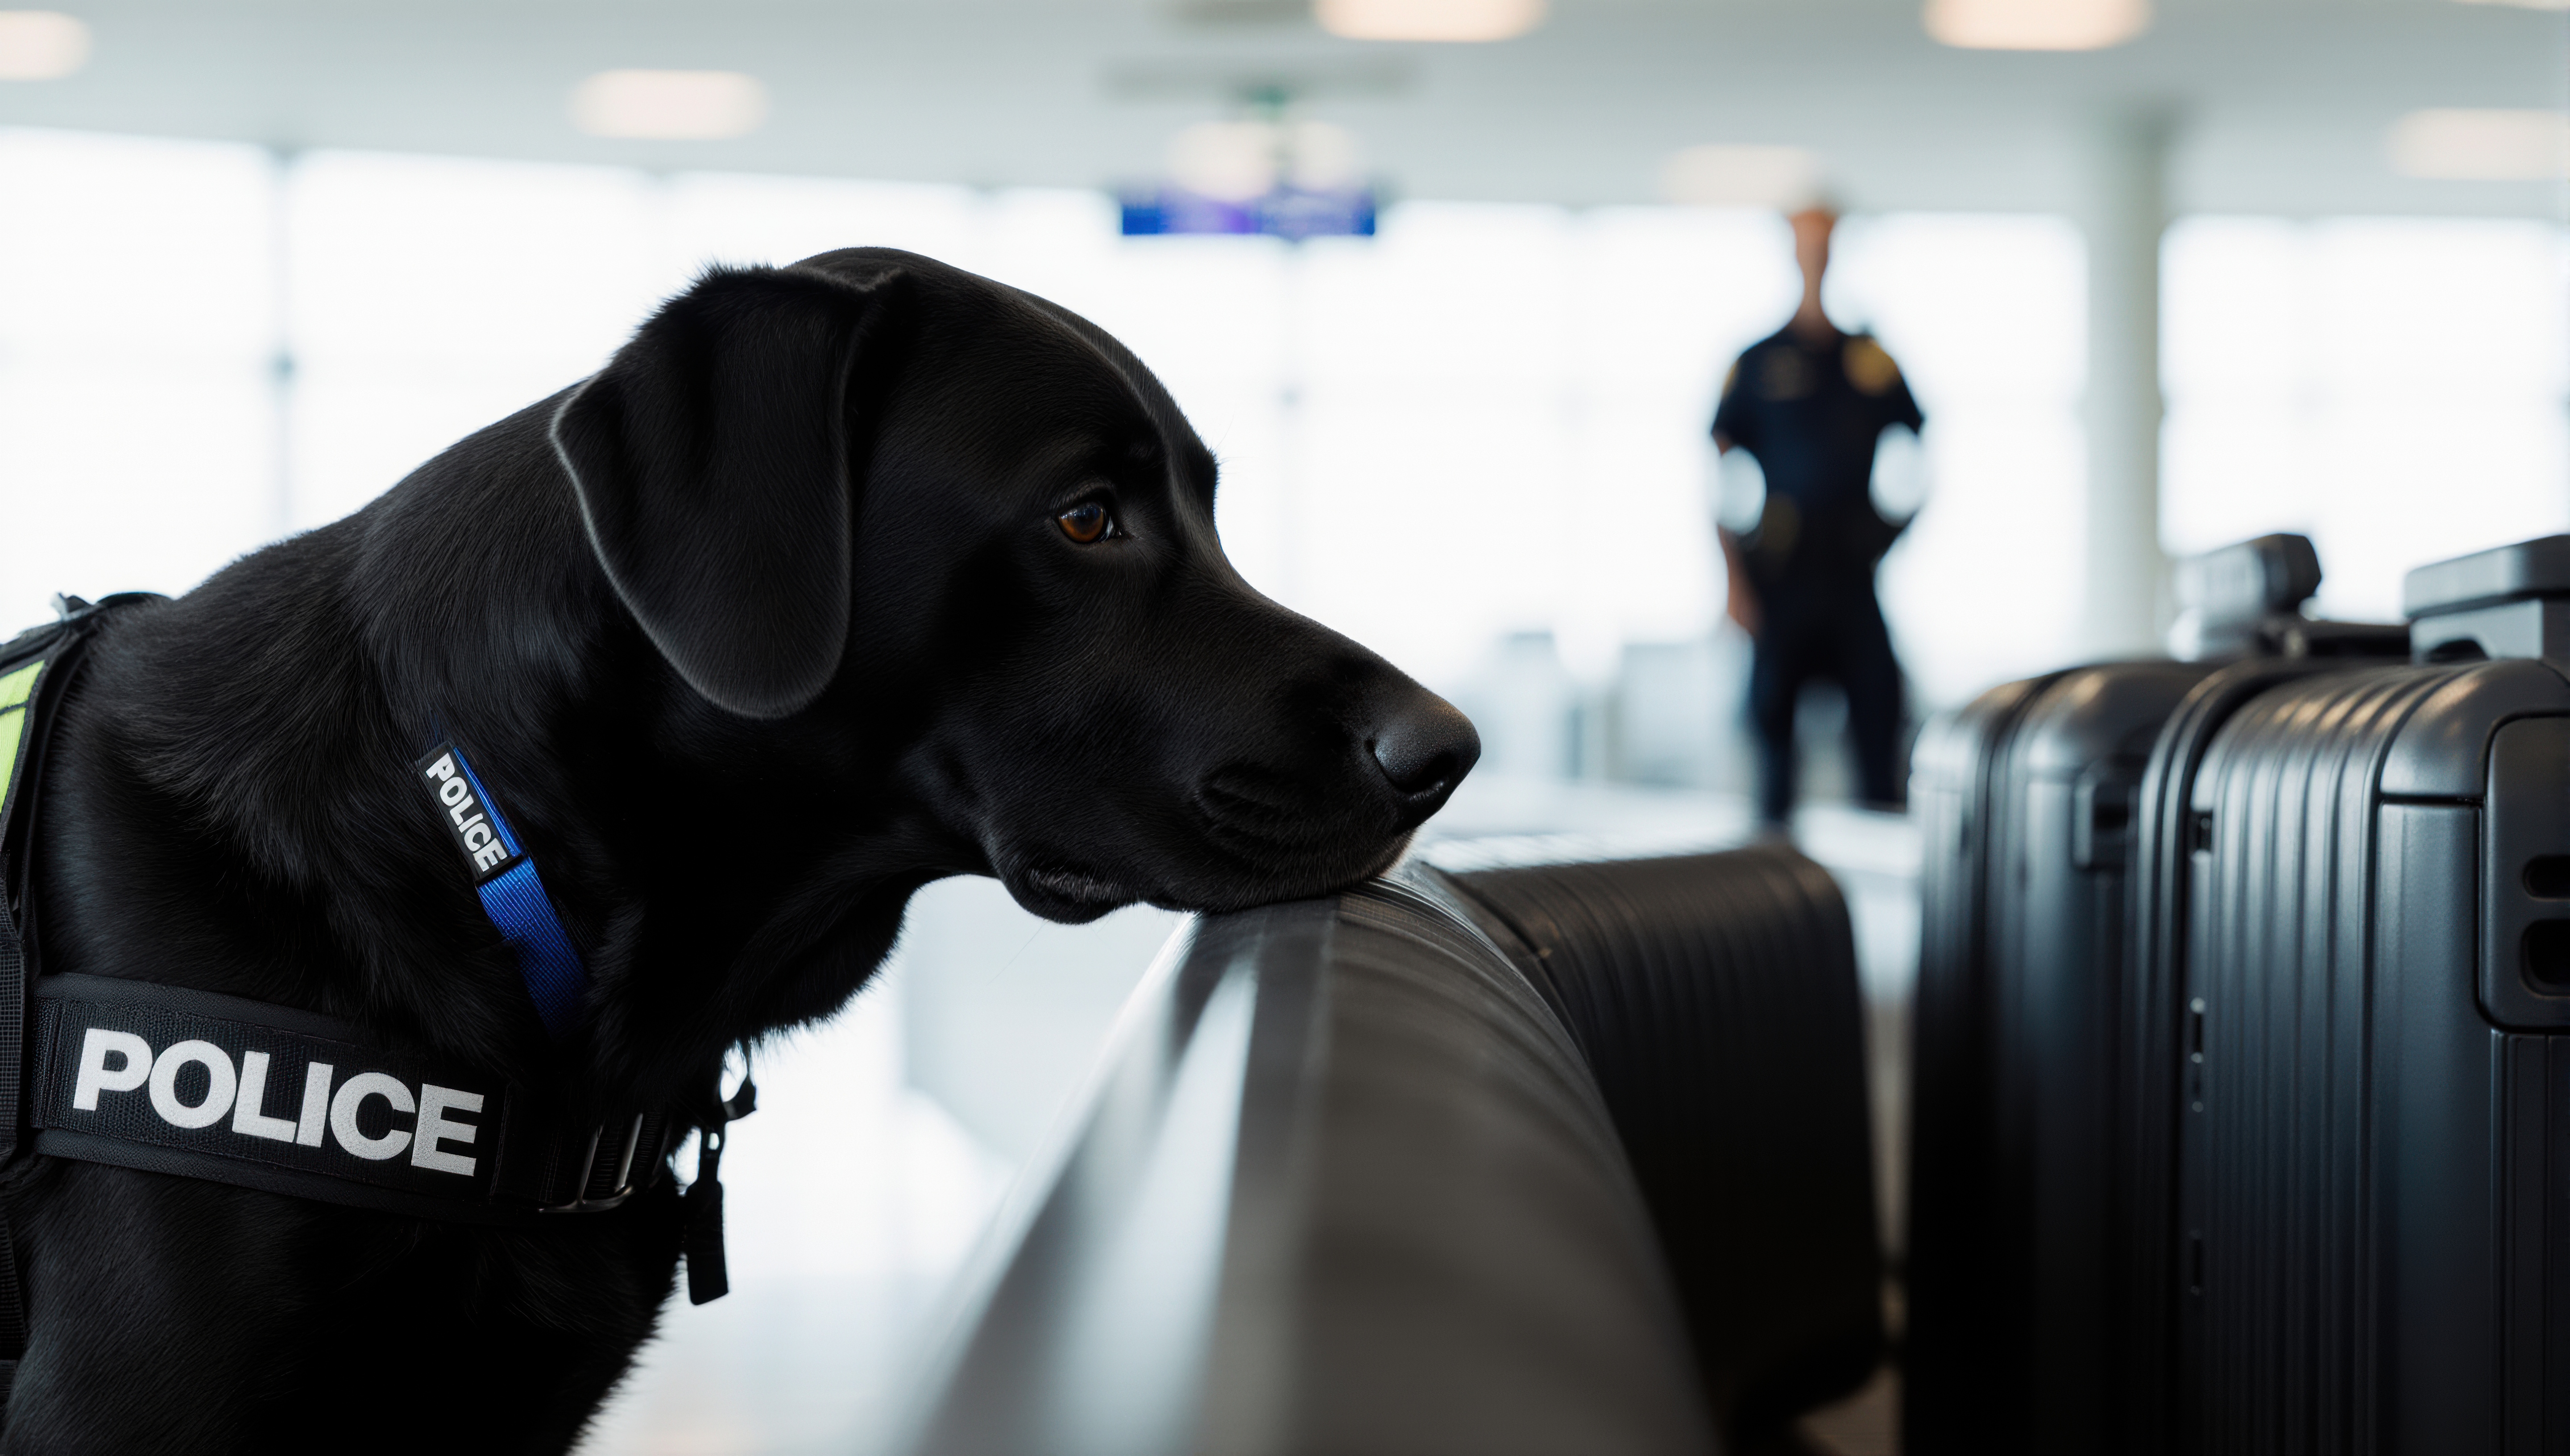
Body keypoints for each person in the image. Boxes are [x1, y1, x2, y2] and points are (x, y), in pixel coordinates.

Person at [1712, 204, 1925, 828]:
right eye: (1806, 242)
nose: (1816, 254)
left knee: (1880, 736)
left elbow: (1918, 450)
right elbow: (1720, 473)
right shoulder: (1756, 363)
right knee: (1774, 749)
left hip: (1853, 574)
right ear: (1791, 250)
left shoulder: (1870, 361)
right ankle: (1769, 887)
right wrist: (1734, 579)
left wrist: (1892, 530)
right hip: (1782, 574)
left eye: (1824, 241)